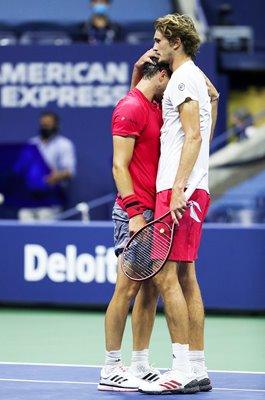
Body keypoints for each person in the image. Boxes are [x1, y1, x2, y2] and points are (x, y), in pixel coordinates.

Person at [138, 14, 218, 395]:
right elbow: (213, 102)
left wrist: (178, 188)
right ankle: (197, 366)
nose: (154, 46)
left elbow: (193, 135)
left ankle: (181, 368)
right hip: (190, 185)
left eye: (158, 40)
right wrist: (195, 177)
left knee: (165, 276)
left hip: (177, 188)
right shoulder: (195, 77)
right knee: (185, 277)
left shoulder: (183, 79)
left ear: (175, 41)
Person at [97, 56, 172, 391]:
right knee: (126, 289)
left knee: (151, 289)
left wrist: (137, 73)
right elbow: (118, 167)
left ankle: (140, 362)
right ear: (162, 76)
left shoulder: (150, 104)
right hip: (135, 212)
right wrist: (134, 213)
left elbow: (141, 94)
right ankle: (111, 367)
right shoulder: (131, 107)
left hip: (153, 213)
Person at [18, 111, 76, 221]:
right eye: (43, 124)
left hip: (51, 198)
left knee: (46, 233)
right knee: (24, 229)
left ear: (56, 125)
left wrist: (54, 177)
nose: (45, 126)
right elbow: (22, 168)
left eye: (48, 124)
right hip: (29, 197)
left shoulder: (64, 144)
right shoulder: (32, 144)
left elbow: (69, 171)